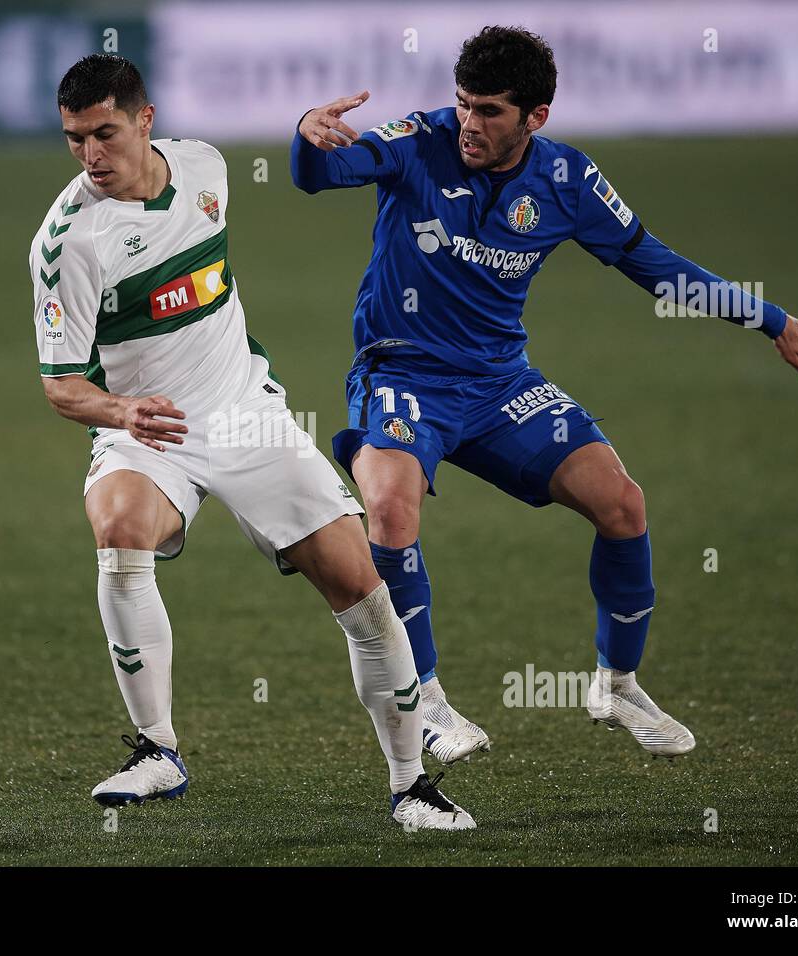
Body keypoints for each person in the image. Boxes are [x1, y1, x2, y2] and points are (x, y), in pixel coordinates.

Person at [290, 26, 798, 760]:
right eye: (462, 104)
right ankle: (423, 699)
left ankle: (617, 683)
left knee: (622, 503)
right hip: (401, 374)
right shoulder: (418, 140)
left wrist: (770, 320)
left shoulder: (568, 182)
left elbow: (649, 261)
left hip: (499, 383)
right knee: (389, 507)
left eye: (488, 111)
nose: (469, 125)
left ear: (536, 117)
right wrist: (307, 136)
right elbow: (320, 176)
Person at [33, 54, 475, 829]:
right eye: (74, 139)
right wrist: (121, 413)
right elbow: (62, 386)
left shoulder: (205, 167)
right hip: (150, 426)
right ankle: (156, 751)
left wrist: (310, 134)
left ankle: (411, 786)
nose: (91, 156)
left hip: (243, 411)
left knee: (361, 591)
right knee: (119, 528)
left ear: (146, 118)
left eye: (104, 133)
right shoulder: (69, 243)